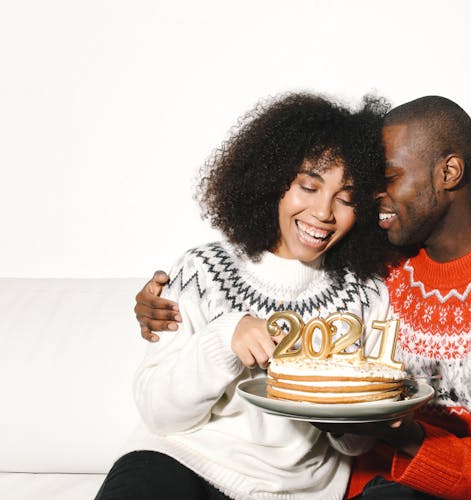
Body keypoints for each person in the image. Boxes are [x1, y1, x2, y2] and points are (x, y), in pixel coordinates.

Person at [135, 96, 471, 499]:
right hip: (374, 472)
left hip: (446, 478)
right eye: (370, 187)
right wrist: (167, 303)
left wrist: (400, 437)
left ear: (449, 172)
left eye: (385, 181)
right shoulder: (385, 265)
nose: (371, 201)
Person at [97, 92, 399, 500]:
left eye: (345, 199)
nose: (324, 212)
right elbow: (159, 413)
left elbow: (356, 445)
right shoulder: (203, 270)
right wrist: (225, 337)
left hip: (290, 488)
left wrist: (339, 405)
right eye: (309, 187)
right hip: (178, 460)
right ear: (275, 180)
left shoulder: (366, 296)